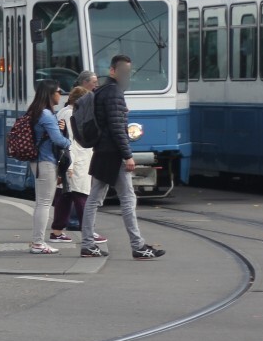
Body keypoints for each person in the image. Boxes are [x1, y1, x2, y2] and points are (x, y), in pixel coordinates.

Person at [81, 54, 165, 260]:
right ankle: (138, 246)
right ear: (112, 71)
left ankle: (87, 244)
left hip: (102, 151)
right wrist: (128, 155)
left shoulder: (103, 91)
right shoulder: (114, 93)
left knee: (94, 199)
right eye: (124, 71)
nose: (127, 75)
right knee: (127, 199)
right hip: (114, 154)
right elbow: (118, 127)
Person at [49, 86, 105, 245]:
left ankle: (57, 231)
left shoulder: (64, 112)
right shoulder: (71, 114)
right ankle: (88, 231)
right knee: (82, 197)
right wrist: (70, 165)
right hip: (76, 161)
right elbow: (71, 142)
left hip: (72, 161)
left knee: (65, 197)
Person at [26, 79, 71, 254]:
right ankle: (38, 243)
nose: (61, 94)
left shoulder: (37, 111)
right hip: (45, 162)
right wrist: (69, 142)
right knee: (44, 203)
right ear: (50, 93)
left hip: (38, 161)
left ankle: (38, 241)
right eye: (59, 91)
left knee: (41, 203)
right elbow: (58, 140)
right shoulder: (46, 114)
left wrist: (58, 129)